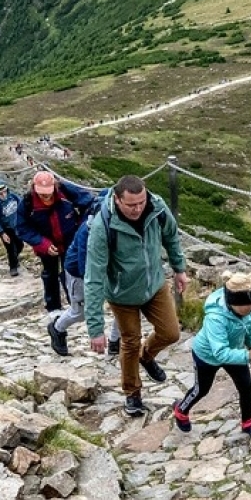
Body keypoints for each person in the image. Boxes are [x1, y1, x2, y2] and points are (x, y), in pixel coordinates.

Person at [82, 175, 187, 417]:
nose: (138, 208)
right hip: (122, 293)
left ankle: (146, 356)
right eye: (131, 204)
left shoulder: (157, 208)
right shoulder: (103, 226)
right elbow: (94, 276)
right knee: (130, 341)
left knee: (171, 333)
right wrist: (95, 328)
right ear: (117, 199)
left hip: (154, 286)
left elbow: (171, 236)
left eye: (141, 202)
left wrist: (179, 268)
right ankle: (132, 392)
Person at [173, 272, 251, 438]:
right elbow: (220, 352)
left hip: (235, 351)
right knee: (202, 389)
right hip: (207, 355)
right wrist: (246, 355)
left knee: (246, 386)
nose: (250, 311)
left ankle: (247, 421)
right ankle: (181, 409)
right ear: (233, 304)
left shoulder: (248, 310)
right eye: (246, 308)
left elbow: (249, 328)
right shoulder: (216, 317)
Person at [18, 172, 100, 347]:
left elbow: (89, 203)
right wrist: (41, 243)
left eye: (48, 191)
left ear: (55, 186)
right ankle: (54, 308)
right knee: (49, 273)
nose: (46, 195)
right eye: (41, 192)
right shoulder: (27, 203)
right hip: (46, 243)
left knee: (70, 272)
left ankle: (74, 304)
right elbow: (22, 227)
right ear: (34, 188)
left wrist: (82, 230)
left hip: (70, 239)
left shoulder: (66, 192)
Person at [0, 182, 27, 275]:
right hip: (6, 229)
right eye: (0, 194)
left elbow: (22, 205)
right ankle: (13, 268)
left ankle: (14, 258)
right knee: (11, 249)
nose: (3, 195)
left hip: (16, 227)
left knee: (20, 245)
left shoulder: (13, 197)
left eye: (4, 192)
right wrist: (2, 233)